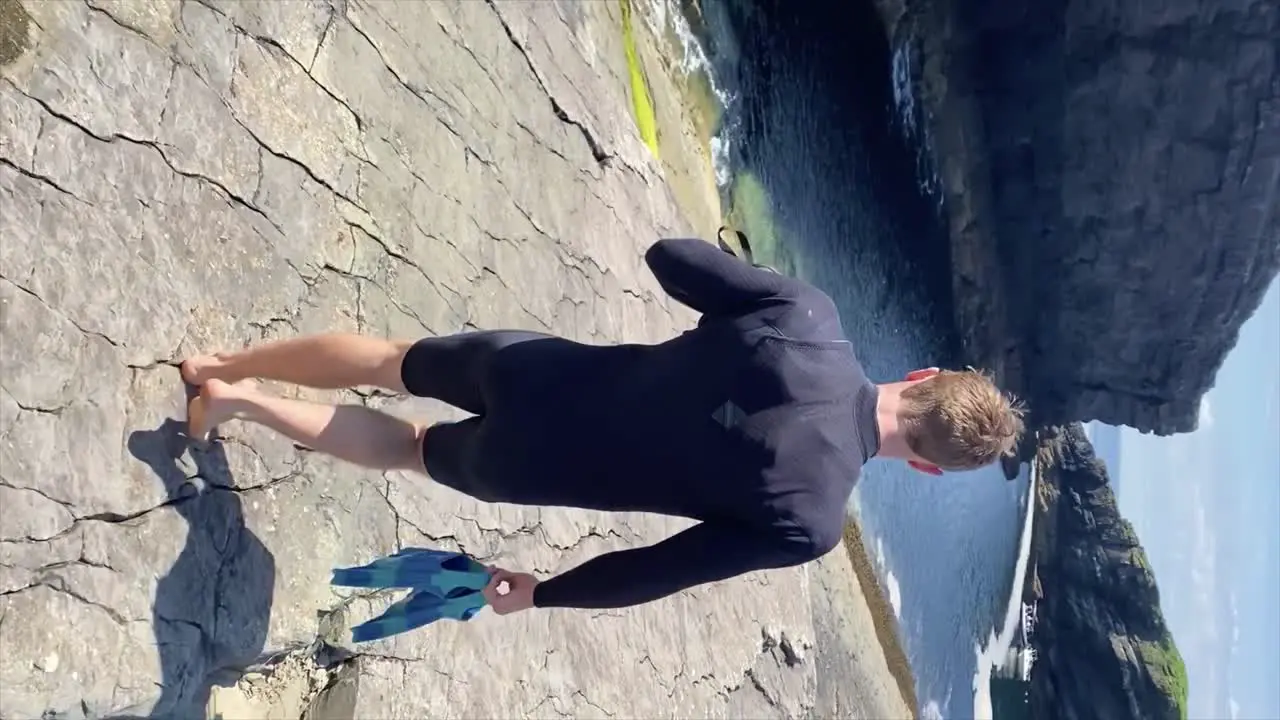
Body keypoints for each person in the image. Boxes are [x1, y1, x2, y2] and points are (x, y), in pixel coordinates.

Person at [181, 237, 1024, 616]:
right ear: (926, 468)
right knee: (405, 449)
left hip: (537, 369)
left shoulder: (809, 314)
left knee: (392, 360)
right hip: (529, 465)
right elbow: (657, 571)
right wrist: (540, 592)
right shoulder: (808, 524)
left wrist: (756, 294)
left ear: (920, 377)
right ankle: (239, 407)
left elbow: (669, 257)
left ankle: (222, 367)